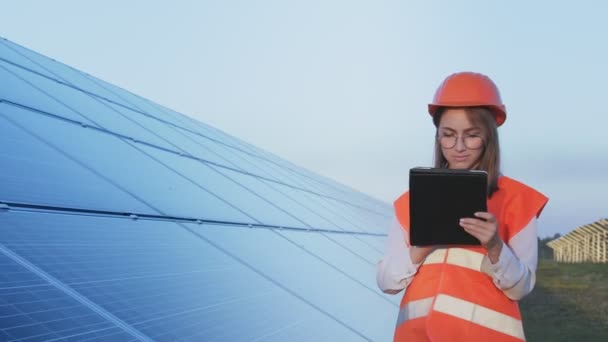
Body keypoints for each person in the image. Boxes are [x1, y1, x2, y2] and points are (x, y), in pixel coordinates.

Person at [376, 71, 548, 342]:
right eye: (448, 135)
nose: (458, 147)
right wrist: (422, 245)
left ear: (488, 137)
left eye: (471, 135)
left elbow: (521, 288)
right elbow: (386, 282)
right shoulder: (409, 202)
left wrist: (495, 246)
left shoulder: (518, 200)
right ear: (438, 137)